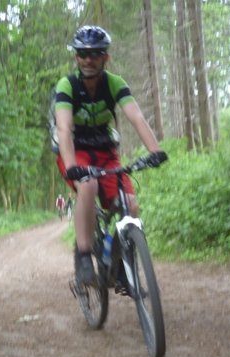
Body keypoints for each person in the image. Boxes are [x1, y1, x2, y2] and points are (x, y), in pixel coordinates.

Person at [54, 25, 167, 286]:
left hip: (105, 153)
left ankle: (119, 264)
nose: (88, 60)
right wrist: (72, 166)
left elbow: (136, 117)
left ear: (106, 57)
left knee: (130, 204)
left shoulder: (115, 84)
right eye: (82, 54)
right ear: (76, 58)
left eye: (95, 54)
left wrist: (155, 150)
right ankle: (83, 256)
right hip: (74, 151)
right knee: (88, 183)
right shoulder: (67, 85)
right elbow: (64, 128)